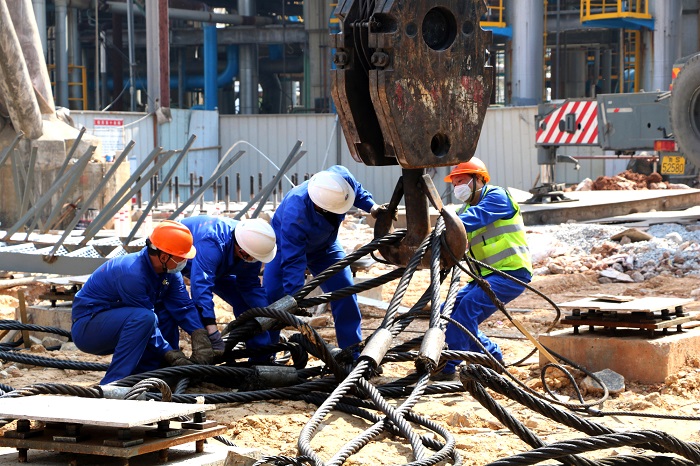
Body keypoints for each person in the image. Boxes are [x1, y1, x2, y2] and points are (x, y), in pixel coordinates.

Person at [71, 220, 214, 385]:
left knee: (165, 313)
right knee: (145, 318)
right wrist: (172, 354)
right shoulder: (131, 273)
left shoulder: (169, 272)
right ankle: (115, 383)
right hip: (89, 329)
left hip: (124, 322)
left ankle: (154, 374)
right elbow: (147, 324)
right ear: (164, 256)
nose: (184, 261)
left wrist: (199, 335)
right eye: (181, 257)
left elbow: (183, 306)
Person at [264, 165, 385, 352]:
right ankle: (266, 352)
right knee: (273, 298)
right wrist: (294, 296)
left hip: (325, 247)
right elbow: (293, 260)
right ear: (318, 204)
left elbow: (356, 192)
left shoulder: (341, 178)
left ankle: (351, 352)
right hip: (284, 247)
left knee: (344, 291)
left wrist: (372, 206)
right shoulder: (296, 212)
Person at [437, 157, 532, 379]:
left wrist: (446, 224)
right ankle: (487, 358)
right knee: (446, 312)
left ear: (479, 179)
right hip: (484, 277)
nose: (457, 187)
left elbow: (473, 218)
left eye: (462, 181)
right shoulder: (464, 210)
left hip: (510, 274)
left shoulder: (498, 197)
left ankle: (452, 364)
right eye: (454, 183)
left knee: (466, 311)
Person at [179, 216, 277, 357]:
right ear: (242, 250)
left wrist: (268, 313)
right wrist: (211, 329)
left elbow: (249, 285)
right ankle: (167, 360)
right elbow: (201, 286)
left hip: (220, 267)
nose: (254, 262)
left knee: (247, 308)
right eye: (251, 258)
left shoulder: (253, 246)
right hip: (177, 259)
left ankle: (262, 358)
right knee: (172, 309)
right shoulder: (212, 242)